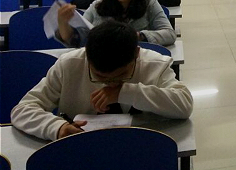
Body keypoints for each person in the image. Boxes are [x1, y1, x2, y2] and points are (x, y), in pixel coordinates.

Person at [11, 20, 193, 141]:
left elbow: (184, 105)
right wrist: (57, 128)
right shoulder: (69, 65)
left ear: (136, 54)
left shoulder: (154, 64)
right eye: (100, 77)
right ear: (87, 56)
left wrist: (125, 92)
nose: (110, 83)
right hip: (81, 150)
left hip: (137, 147)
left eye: (121, 75)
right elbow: (23, 109)